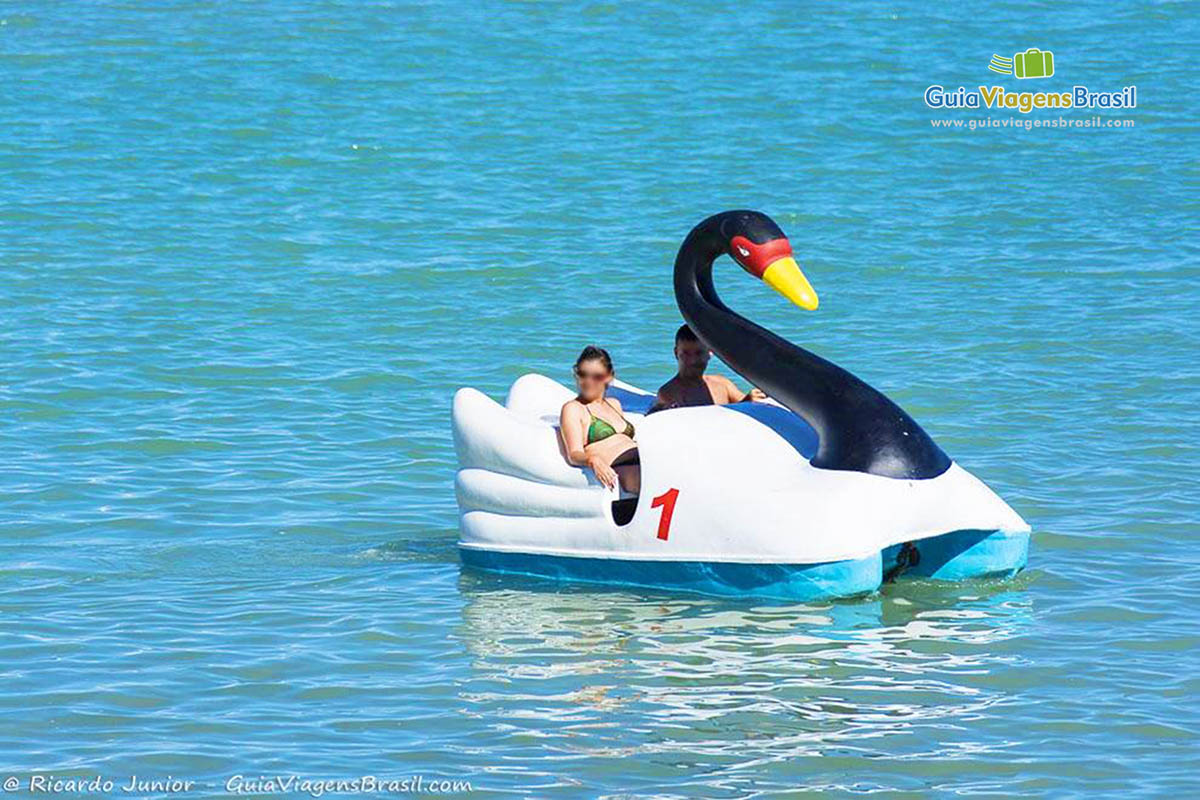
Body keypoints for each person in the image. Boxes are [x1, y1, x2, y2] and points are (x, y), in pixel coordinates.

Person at [559, 345, 640, 493]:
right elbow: (574, 454)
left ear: (609, 377)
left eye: (596, 376)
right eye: (583, 374)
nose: (588, 382)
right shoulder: (574, 408)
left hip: (642, 458)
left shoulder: (614, 404)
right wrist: (592, 460)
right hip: (620, 469)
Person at [651, 324, 766, 411]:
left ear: (710, 352)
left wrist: (751, 398)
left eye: (699, 353)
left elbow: (744, 408)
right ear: (676, 353)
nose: (692, 360)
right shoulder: (669, 392)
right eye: (685, 353)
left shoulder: (722, 384)